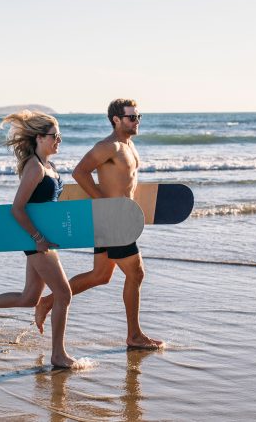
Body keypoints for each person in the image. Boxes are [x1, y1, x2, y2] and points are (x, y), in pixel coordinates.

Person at [34, 99, 163, 350]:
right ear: (116, 119)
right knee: (136, 273)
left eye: (138, 117)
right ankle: (134, 335)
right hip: (113, 220)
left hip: (118, 218)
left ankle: (46, 303)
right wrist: (104, 202)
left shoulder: (129, 146)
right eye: (132, 117)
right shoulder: (108, 146)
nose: (137, 122)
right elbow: (80, 171)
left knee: (100, 275)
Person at [0, 111, 77, 368]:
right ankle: (58, 354)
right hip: (35, 240)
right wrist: (37, 238)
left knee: (29, 298)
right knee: (64, 294)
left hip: (42, 240)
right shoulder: (34, 168)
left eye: (60, 136)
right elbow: (17, 208)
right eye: (55, 136)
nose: (59, 141)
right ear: (39, 138)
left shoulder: (50, 167)